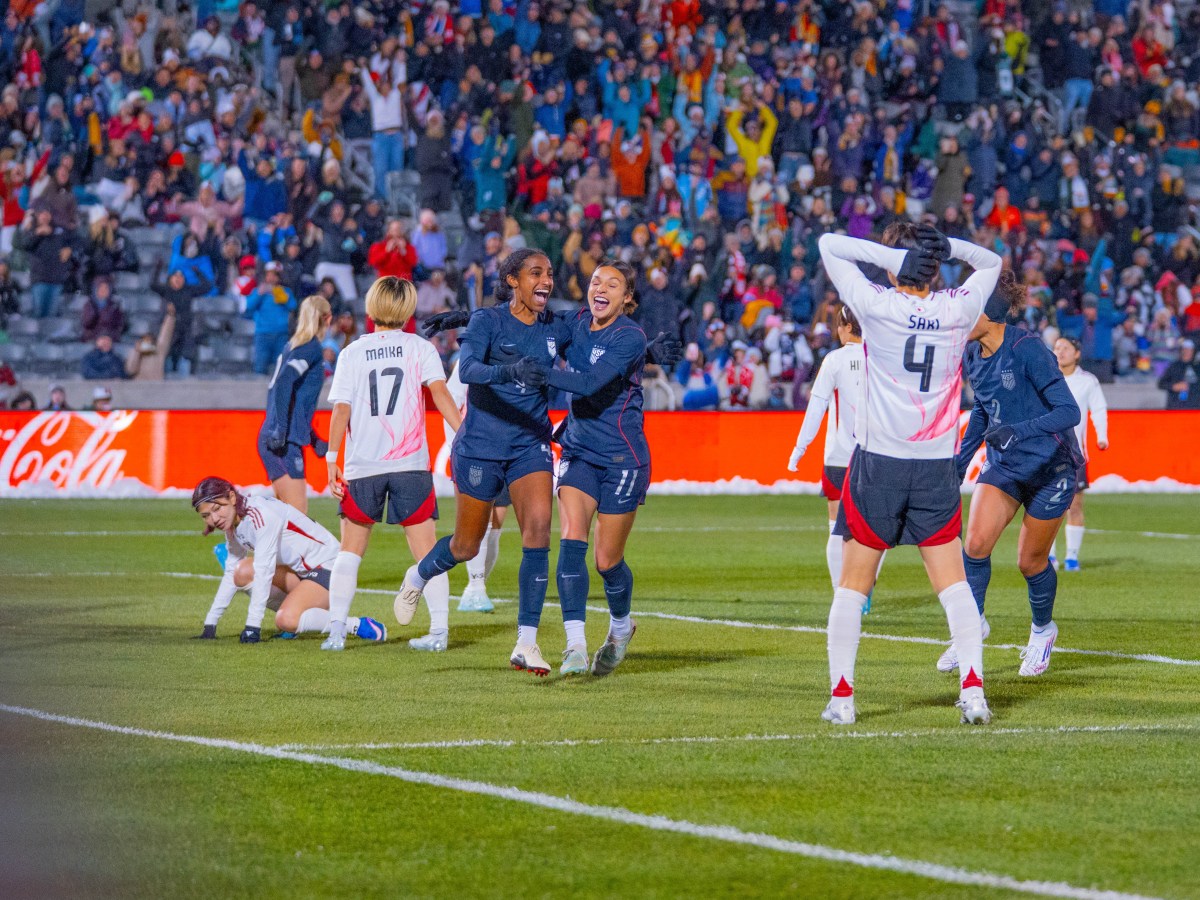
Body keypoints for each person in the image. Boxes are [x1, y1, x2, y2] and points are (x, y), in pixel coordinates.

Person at [816, 223, 1001, 725]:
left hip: (880, 464)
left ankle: (843, 699)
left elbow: (829, 244)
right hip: (937, 466)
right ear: (937, 266)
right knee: (954, 586)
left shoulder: (876, 306)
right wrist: (952, 248)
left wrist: (891, 258)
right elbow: (992, 263)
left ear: (897, 265)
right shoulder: (958, 308)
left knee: (853, 586)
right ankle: (974, 692)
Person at [397, 248, 566, 675]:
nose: (546, 280)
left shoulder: (555, 326)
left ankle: (526, 643)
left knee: (539, 530)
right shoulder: (487, 321)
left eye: (549, 273)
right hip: (480, 446)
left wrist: (648, 350)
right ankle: (418, 576)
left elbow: (596, 337)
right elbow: (469, 368)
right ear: (512, 280)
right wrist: (509, 372)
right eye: (536, 273)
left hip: (530, 444)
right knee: (466, 545)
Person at [543, 261, 680, 675]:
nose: (600, 288)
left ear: (627, 299)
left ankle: (621, 628)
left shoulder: (630, 336)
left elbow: (588, 384)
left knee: (606, 561)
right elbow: (530, 320)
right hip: (580, 452)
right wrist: (473, 319)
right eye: (596, 281)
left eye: (612, 284)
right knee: (570, 540)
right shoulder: (578, 321)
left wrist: (538, 374)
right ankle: (574, 647)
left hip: (623, 458)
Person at [944, 273, 1082, 680]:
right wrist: (961, 460)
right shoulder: (972, 354)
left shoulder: (1028, 349)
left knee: (1029, 562)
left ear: (989, 313)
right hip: (1005, 464)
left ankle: (1042, 631)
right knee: (975, 544)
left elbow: (1068, 411)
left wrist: (1019, 431)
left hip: (1051, 467)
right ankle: (973, 627)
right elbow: (984, 410)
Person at [320, 277, 463, 653]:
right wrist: (463, 432)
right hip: (410, 463)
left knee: (349, 553)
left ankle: (336, 632)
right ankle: (439, 633)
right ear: (409, 309)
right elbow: (441, 393)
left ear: (371, 308)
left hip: (362, 464)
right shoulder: (420, 348)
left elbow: (341, 410)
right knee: (428, 554)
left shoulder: (352, 351)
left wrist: (331, 457)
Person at [190, 476, 387, 643]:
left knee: (286, 619)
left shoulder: (260, 514)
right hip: (303, 573)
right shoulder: (234, 526)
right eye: (206, 515)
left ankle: (356, 625)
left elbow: (265, 570)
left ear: (232, 497)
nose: (214, 519)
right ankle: (298, 615)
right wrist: (210, 624)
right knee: (241, 572)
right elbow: (231, 571)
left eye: (217, 508)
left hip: (329, 568)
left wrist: (253, 627)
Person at [787, 305, 886, 593]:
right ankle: (865, 587)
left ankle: (840, 592)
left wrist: (799, 449)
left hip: (839, 459)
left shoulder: (834, 360)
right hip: (875, 457)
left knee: (835, 526)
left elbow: (816, 408)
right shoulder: (879, 360)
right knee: (876, 528)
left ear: (845, 326)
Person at [443, 358, 508, 614]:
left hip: (506, 448)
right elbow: (449, 398)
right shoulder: (469, 358)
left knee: (497, 523)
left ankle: (475, 589)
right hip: (476, 450)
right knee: (483, 521)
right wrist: (458, 443)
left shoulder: (515, 351)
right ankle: (476, 586)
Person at [259, 295, 332, 514]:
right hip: (284, 444)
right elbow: (284, 383)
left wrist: (314, 439)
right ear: (327, 319)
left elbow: (291, 401)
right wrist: (281, 430)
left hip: (278, 438)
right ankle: (235, 548)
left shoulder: (292, 346)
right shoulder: (311, 348)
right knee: (297, 524)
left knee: (284, 524)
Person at [1052, 337, 1110, 571]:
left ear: (1077, 354)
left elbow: (1098, 409)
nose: (1060, 352)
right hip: (1046, 453)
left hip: (1074, 455)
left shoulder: (1087, 381)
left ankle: (1072, 557)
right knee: (1044, 507)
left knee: (1074, 506)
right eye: (1056, 348)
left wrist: (1102, 436)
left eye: (1065, 348)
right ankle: (1049, 556)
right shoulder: (1045, 377)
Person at [1158, 339, 1200, 409]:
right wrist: (1174, 386)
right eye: (1185, 349)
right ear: (1181, 350)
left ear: (1193, 351)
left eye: (1190, 350)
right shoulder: (1174, 366)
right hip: (1175, 407)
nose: (1187, 352)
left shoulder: (1197, 367)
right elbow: (1161, 384)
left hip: (1194, 408)